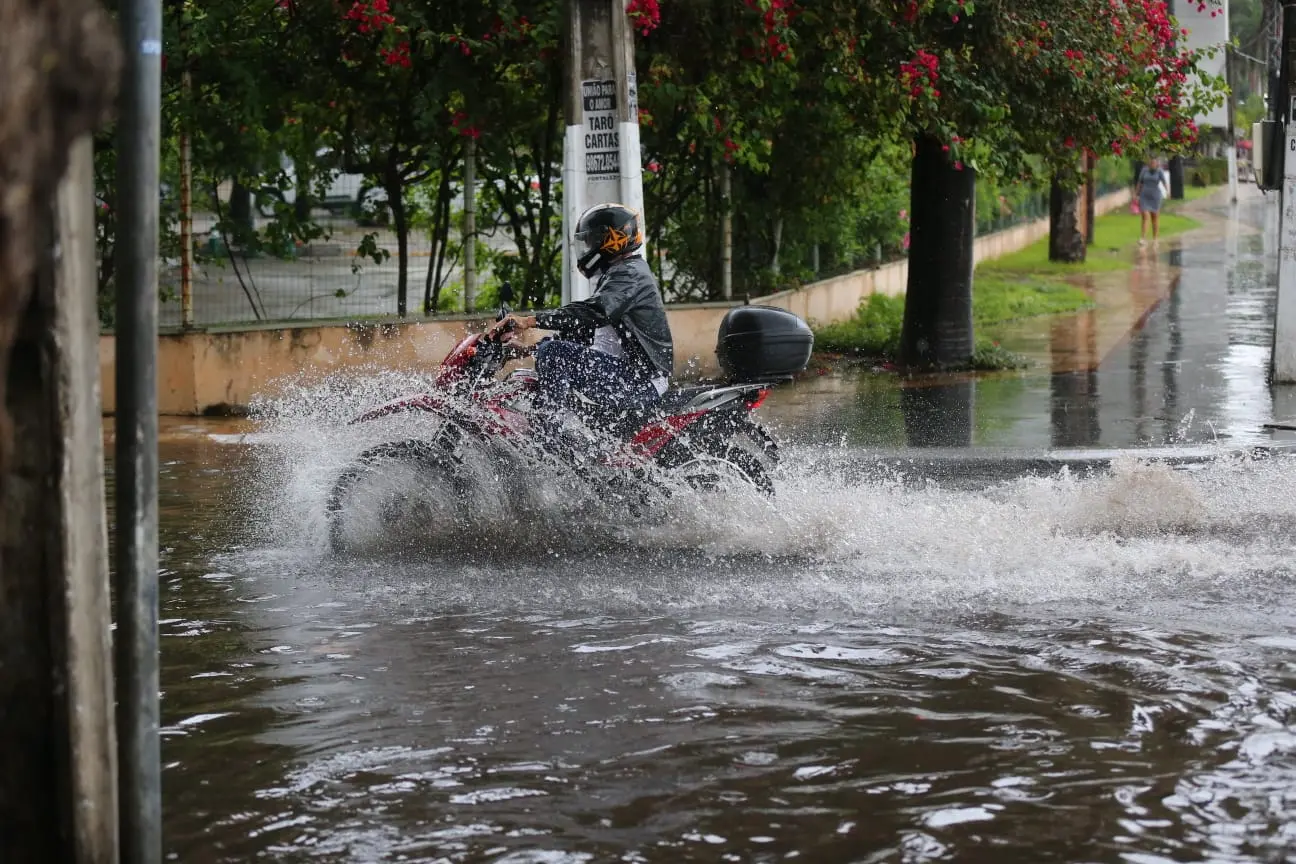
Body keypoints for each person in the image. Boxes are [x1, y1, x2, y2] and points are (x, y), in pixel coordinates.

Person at [488, 202, 673, 439]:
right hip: (625, 374)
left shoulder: (630, 274)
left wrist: (530, 321)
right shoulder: (619, 275)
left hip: (640, 383)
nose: (587, 246)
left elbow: (592, 312)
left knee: (555, 354)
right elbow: (583, 330)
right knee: (549, 352)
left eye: (593, 239)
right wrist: (526, 350)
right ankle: (561, 435)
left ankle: (550, 438)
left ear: (612, 239)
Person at [1135, 156, 1171, 246]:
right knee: (1145, 216)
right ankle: (1143, 238)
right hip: (1144, 195)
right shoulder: (1144, 170)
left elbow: (1164, 182)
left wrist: (1167, 192)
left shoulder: (1160, 171)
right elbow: (1140, 182)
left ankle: (1155, 239)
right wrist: (1136, 194)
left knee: (1154, 218)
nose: (1152, 164)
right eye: (1151, 163)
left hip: (1155, 196)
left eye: (1154, 163)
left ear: (1157, 164)